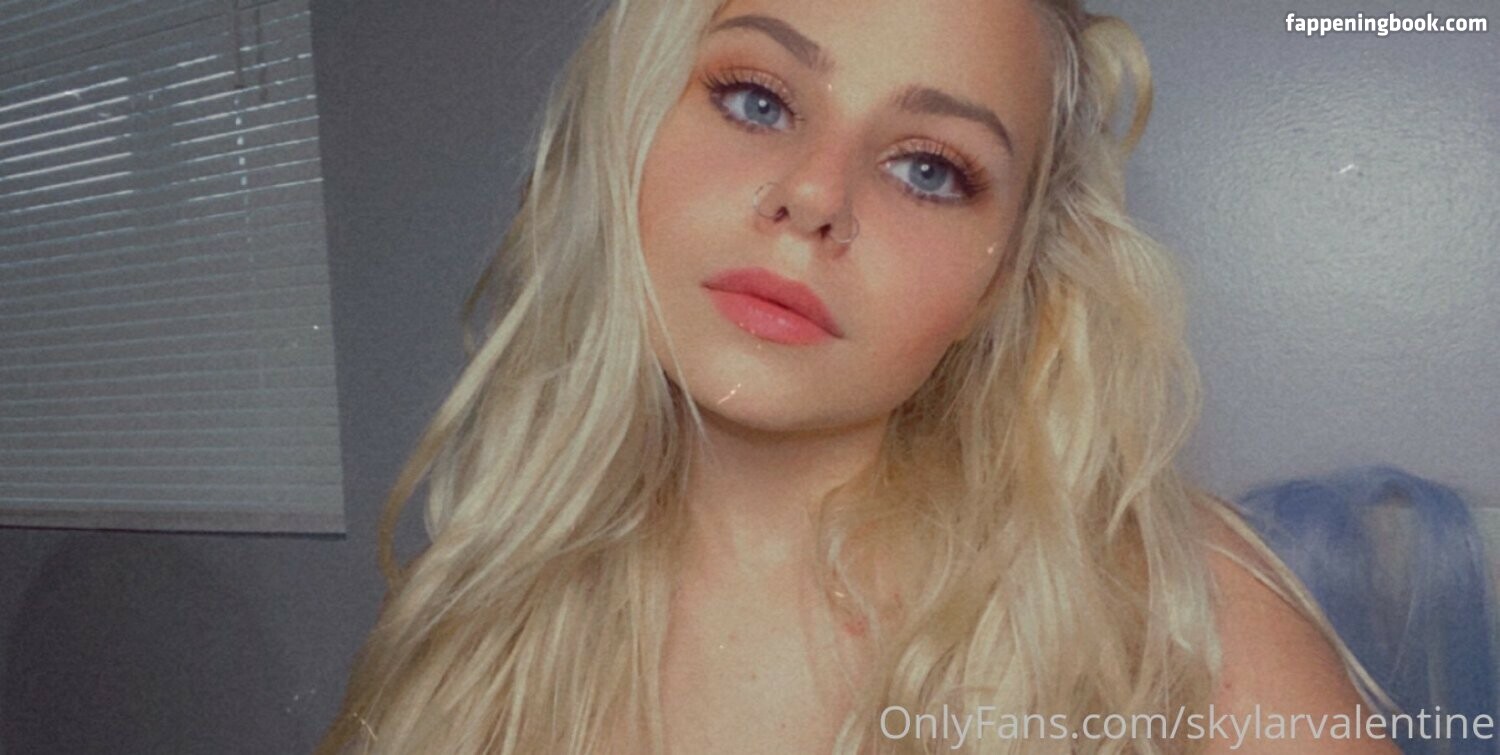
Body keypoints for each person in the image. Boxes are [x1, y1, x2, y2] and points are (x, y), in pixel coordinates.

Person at [318, 0, 1402, 752]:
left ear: (1003, 281)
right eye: (758, 100)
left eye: (929, 168)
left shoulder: (1172, 611)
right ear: (628, 127)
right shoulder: (477, 609)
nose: (815, 195)